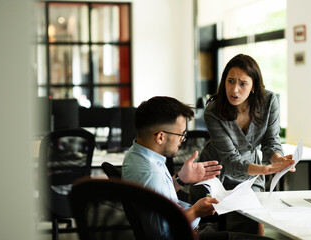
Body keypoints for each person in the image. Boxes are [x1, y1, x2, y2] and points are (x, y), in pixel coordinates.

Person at [122, 96, 274, 240]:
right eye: (181, 134)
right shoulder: (150, 172)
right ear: (160, 137)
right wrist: (195, 211)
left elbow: (157, 198)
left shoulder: (137, 154)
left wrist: (180, 179)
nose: (183, 139)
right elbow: (162, 234)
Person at [189, 54, 295, 235]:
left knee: (252, 225)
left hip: (250, 176)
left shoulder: (268, 102)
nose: (234, 90)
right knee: (212, 230)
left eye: (243, 83)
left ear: (253, 86)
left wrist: (277, 159)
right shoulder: (213, 110)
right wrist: (265, 169)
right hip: (214, 173)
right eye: (230, 81)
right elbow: (230, 161)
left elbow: (271, 141)